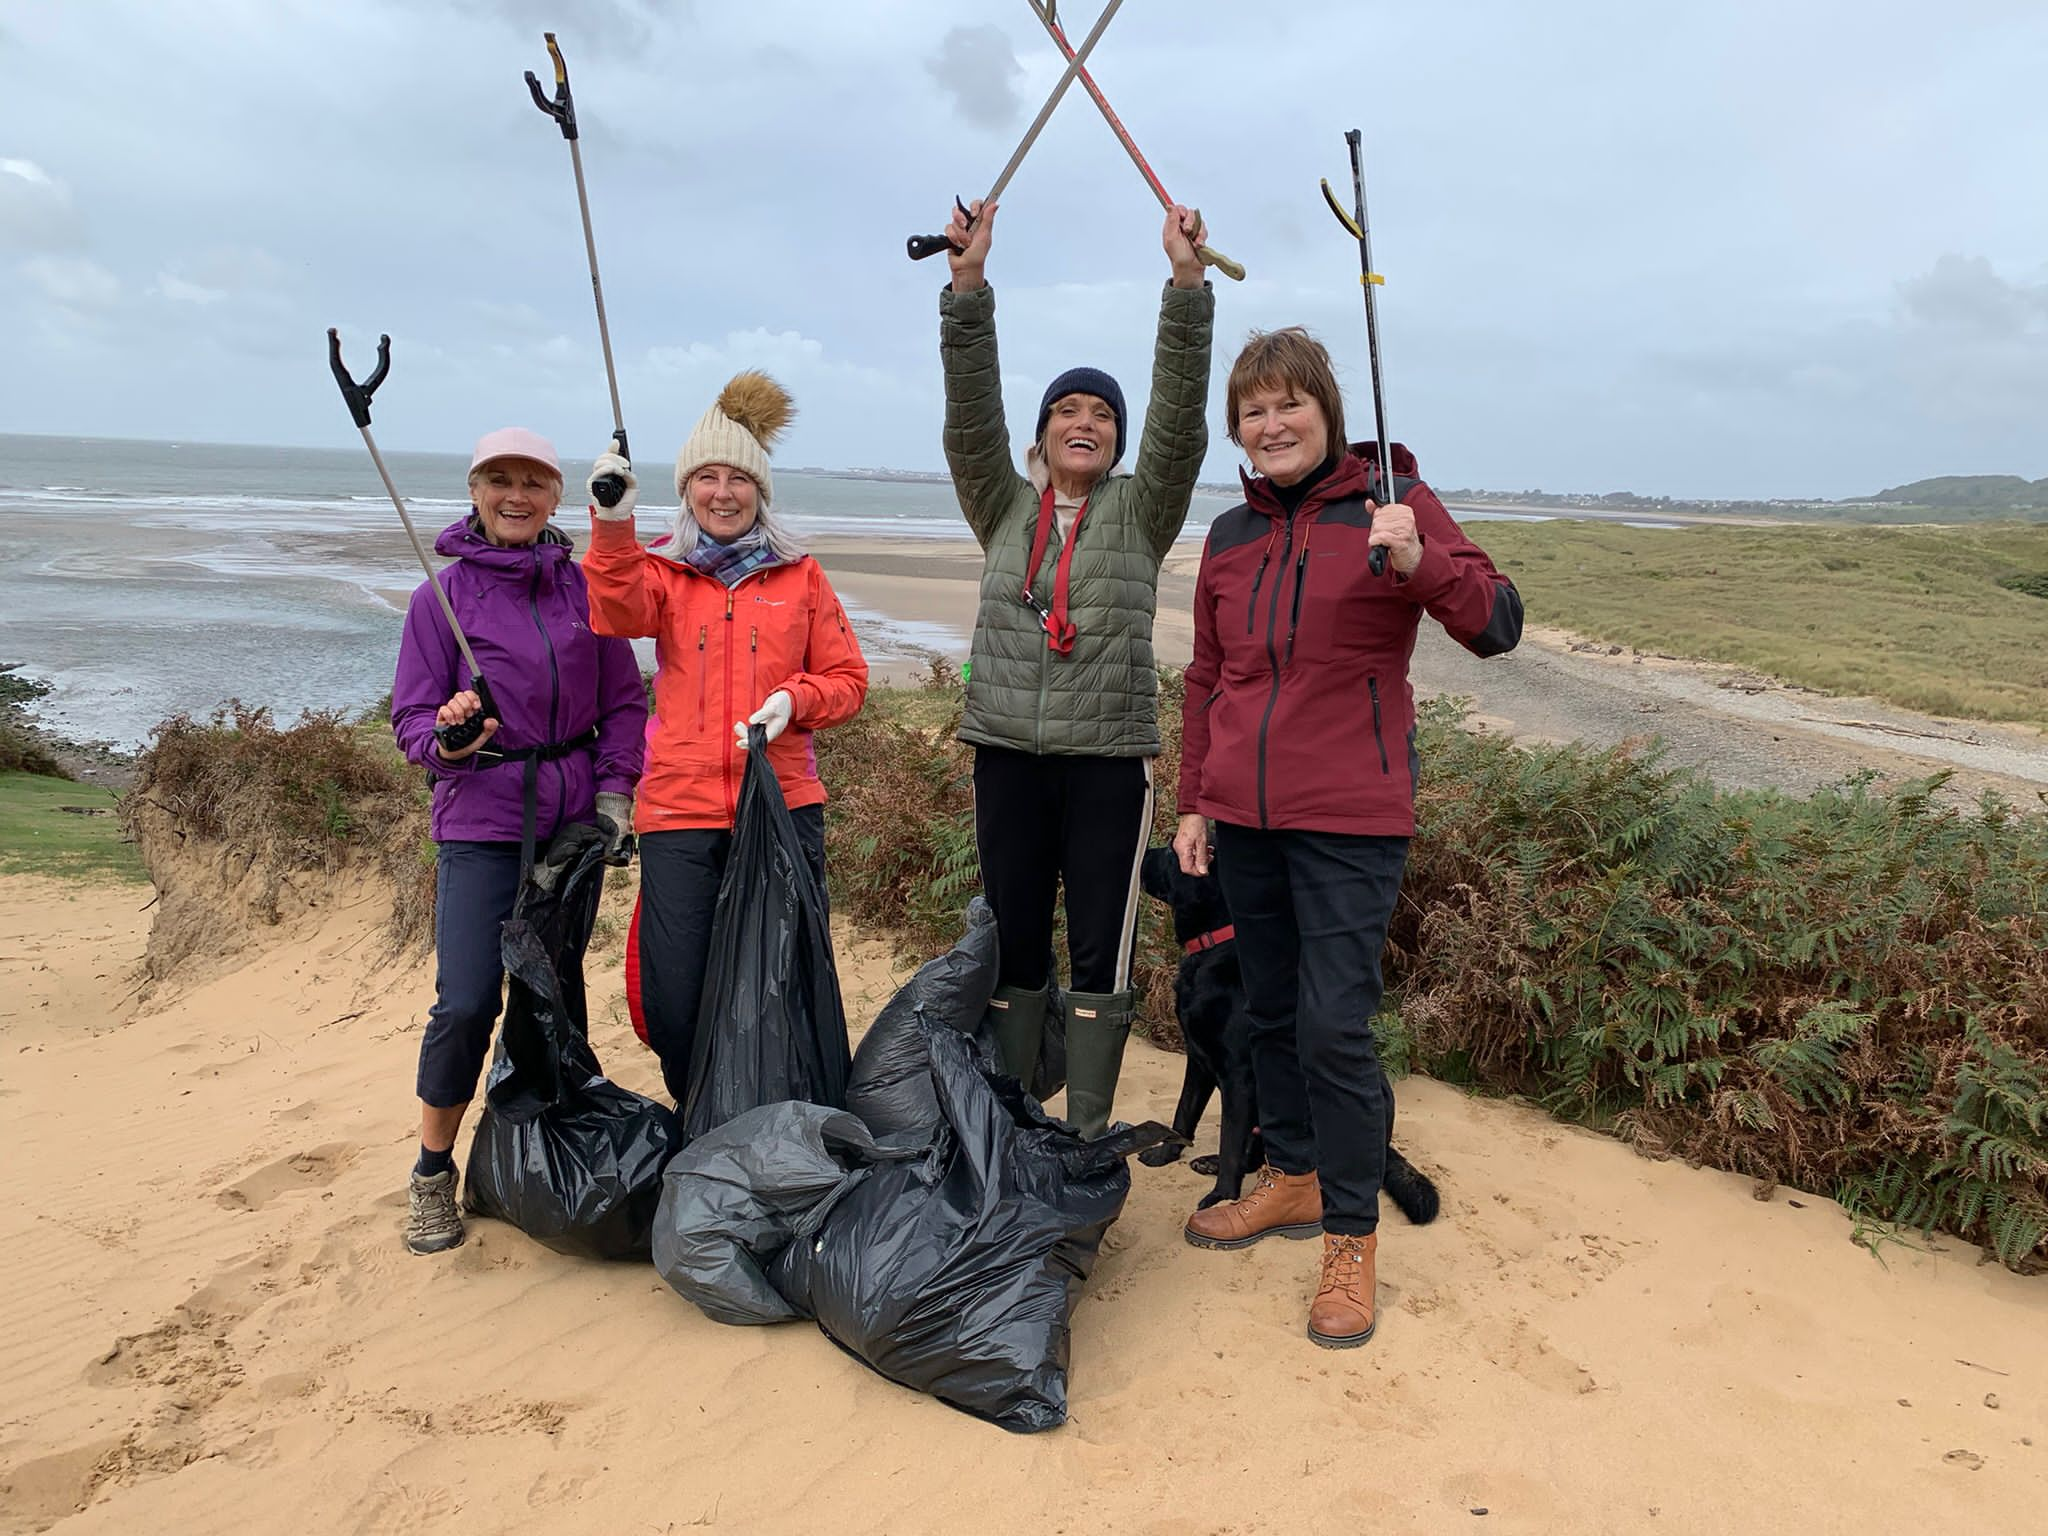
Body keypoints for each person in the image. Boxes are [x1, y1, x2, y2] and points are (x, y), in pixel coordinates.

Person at [1174, 327, 1523, 1347]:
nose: (1269, 424)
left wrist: (1417, 564)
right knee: (1270, 1014)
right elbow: (1207, 676)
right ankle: (1287, 1174)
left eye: (1287, 405)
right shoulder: (1231, 536)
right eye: (1250, 410)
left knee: (1332, 1027)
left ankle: (1348, 1237)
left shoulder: (1395, 507)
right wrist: (1195, 797)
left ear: (1325, 412)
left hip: (1350, 819)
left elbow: (1495, 621)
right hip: (1243, 817)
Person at [937, 196, 1215, 1136]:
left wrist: (1185, 287)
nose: (1083, 422)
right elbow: (970, 415)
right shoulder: (1002, 506)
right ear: (1043, 433)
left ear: (1116, 439)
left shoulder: (1142, 513)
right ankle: (1015, 1123)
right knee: (1018, 946)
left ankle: (1086, 1133)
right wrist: (966, 287)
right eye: (1066, 410)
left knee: (1100, 949)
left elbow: (1179, 422)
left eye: (1100, 414)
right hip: (1007, 754)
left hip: (1107, 763)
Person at [389, 427, 648, 1256]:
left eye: (533, 482)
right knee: (467, 1001)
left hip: (572, 828)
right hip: (482, 826)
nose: (516, 495)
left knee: (554, 997)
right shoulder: (441, 600)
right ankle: (433, 1171)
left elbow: (625, 704)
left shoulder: (585, 592)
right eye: (498, 480)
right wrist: (453, 739)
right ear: (474, 493)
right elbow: (412, 723)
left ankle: (539, 1160)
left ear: (556, 497)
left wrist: (613, 794)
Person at [582, 372, 868, 1107]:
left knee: (786, 986)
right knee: (676, 998)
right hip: (680, 811)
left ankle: (783, 1125)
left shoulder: (800, 577)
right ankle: (702, 1114)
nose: (722, 492)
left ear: (759, 491)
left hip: (783, 807)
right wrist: (611, 523)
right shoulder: (664, 573)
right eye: (706, 477)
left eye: (738, 477)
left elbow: (847, 681)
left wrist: (792, 701)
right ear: (685, 490)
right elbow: (613, 611)